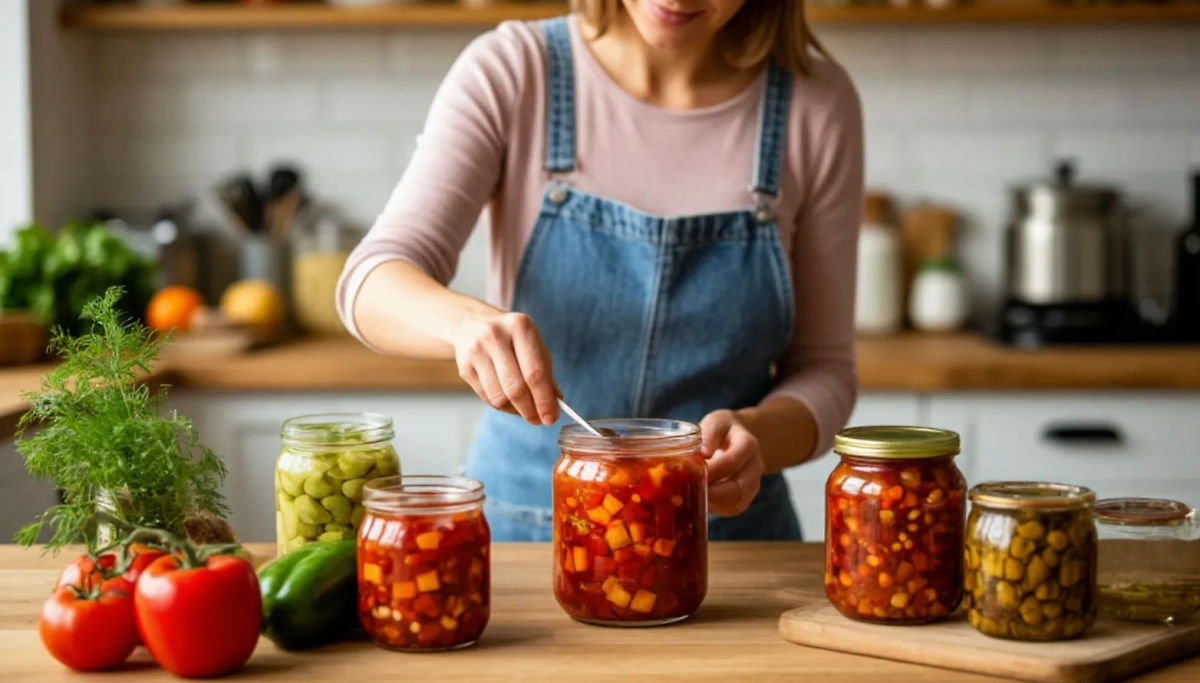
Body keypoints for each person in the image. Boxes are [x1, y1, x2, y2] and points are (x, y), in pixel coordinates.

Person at [337, 0, 863, 542]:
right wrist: (464, 324)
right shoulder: (516, 70)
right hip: (523, 536)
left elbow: (826, 369)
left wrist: (757, 435)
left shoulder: (815, 103)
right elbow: (370, 281)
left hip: (729, 546)